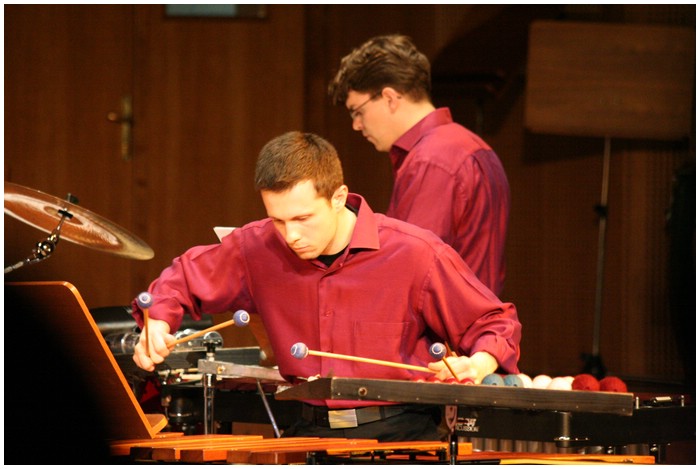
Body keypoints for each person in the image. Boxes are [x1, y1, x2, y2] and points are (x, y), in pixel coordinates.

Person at [131, 131, 521, 442]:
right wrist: (158, 324)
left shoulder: (416, 254)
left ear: (338, 197)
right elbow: (179, 281)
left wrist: (479, 362)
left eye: (303, 218)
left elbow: (494, 322)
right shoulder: (257, 247)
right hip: (307, 431)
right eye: (279, 220)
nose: (290, 236)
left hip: (400, 433)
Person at [329, 34, 510, 295]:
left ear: (390, 97)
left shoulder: (432, 160)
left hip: (448, 332)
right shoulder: (471, 145)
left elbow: (410, 269)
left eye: (358, 111)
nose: (356, 125)